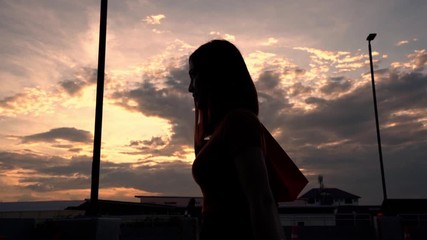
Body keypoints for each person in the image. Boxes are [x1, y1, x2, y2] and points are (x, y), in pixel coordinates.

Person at [188, 39, 285, 240]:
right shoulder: (224, 128)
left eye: (194, 75)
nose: (190, 88)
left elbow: (261, 200)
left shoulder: (239, 121)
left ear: (214, 75)